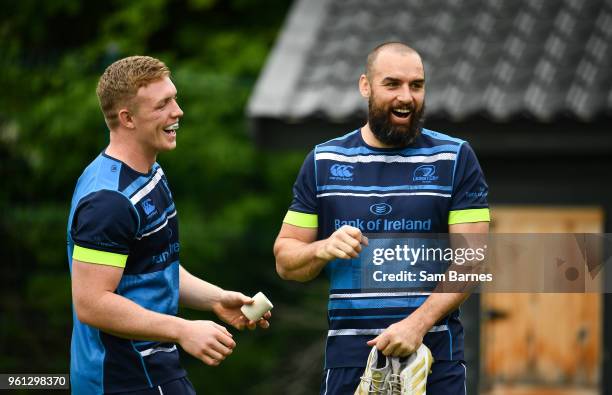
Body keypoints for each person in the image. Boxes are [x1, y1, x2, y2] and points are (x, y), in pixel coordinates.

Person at [273, 42, 489, 394]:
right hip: (349, 361)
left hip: (434, 360)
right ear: (365, 86)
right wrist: (323, 248)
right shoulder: (323, 161)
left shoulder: (455, 158)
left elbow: (472, 261)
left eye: (416, 85)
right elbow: (286, 260)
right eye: (392, 84)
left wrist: (416, 325)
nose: (406, 97)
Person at [67, 55, 270, 395]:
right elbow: (91, 303)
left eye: (174, 98)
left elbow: (153, 267)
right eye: (163, 105)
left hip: (156, 368)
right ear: (127, 118)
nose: (178, 111)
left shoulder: (151, 173)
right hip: (123, 380)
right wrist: (182, 330)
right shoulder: (108, 202)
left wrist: (216, 299)